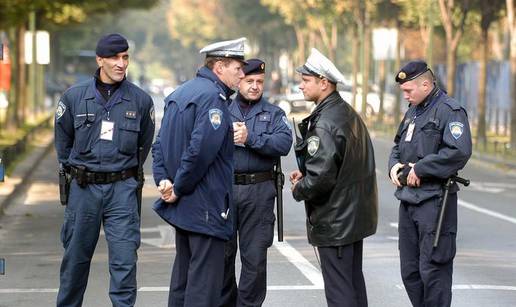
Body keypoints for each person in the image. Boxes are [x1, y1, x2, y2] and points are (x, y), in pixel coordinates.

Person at [54, 33, 155, 307]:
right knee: (75, 262)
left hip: (122, 190)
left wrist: (124, 174)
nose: (121, 64)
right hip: (83, 189)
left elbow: (143, 145)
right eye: (114, 58)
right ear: (100, 60)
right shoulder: (74, 97)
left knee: (124, 264)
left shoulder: (141, 101)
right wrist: (77, 172)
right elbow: (63, 145)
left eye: (125, 57)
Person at [151, 37, 247, 307]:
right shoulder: (213, 99)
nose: (242, 74)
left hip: (185, 207)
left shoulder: (179, 93)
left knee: (182, 282)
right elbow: (200, 152)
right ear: (219, 66)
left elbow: (159, 146)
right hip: (205, 206)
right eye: (237, 68)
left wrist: (165, 181)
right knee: (204, 287)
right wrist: (178, 186)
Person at [289, 48, 378, 307]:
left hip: (336, 221)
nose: (301, 86)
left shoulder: (326, 122)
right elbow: (340, 165)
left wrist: (299, 187)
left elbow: (320, 179)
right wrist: (309, 172)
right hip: (351, 218)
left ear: (324, 83)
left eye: (306, 81)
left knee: (340, 292)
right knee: (352, 286)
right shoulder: (346, 113)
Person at [388, 60, 472, 307]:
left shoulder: (450, 110)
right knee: (410, 272)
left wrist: (421, 169)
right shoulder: (413, 110)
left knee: (433, 271)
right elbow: (398, 146)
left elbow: (459, 151)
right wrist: (394, 166)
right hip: (408, 200)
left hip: (434, 202)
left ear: (426, 84)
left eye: (408, 90)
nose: (405, 95)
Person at [219, 59, 293, 307]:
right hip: (225, 190)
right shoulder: (221, 109)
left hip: (259, 192)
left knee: (255, 259)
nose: (254, 86)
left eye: (259, 82)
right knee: (223, 258)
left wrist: (251, 138)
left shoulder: (274, 114)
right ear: (238, 80)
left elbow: (283, 144)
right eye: (249, 81)